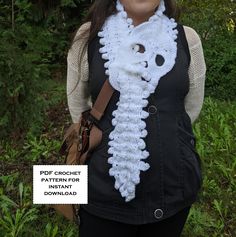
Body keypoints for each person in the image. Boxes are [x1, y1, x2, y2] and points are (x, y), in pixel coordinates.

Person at [66, 0, 207, 236]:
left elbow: (190, 109)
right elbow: (77, 106)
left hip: (173, 188)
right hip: (100, 192)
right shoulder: (87, 36)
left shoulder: (187, 39)